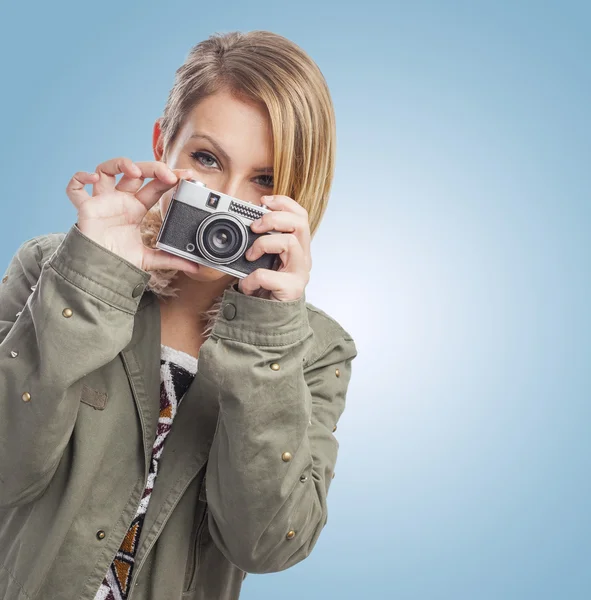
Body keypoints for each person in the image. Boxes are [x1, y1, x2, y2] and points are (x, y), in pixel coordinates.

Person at [0, 30, 358, 600]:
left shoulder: (315, 348)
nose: (230, 201)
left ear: (302, 194)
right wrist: (91, 284)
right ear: (163, 144)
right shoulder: (51, 268)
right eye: (207, 159)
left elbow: (265, 546)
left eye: (265, 180)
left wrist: (267, 333)